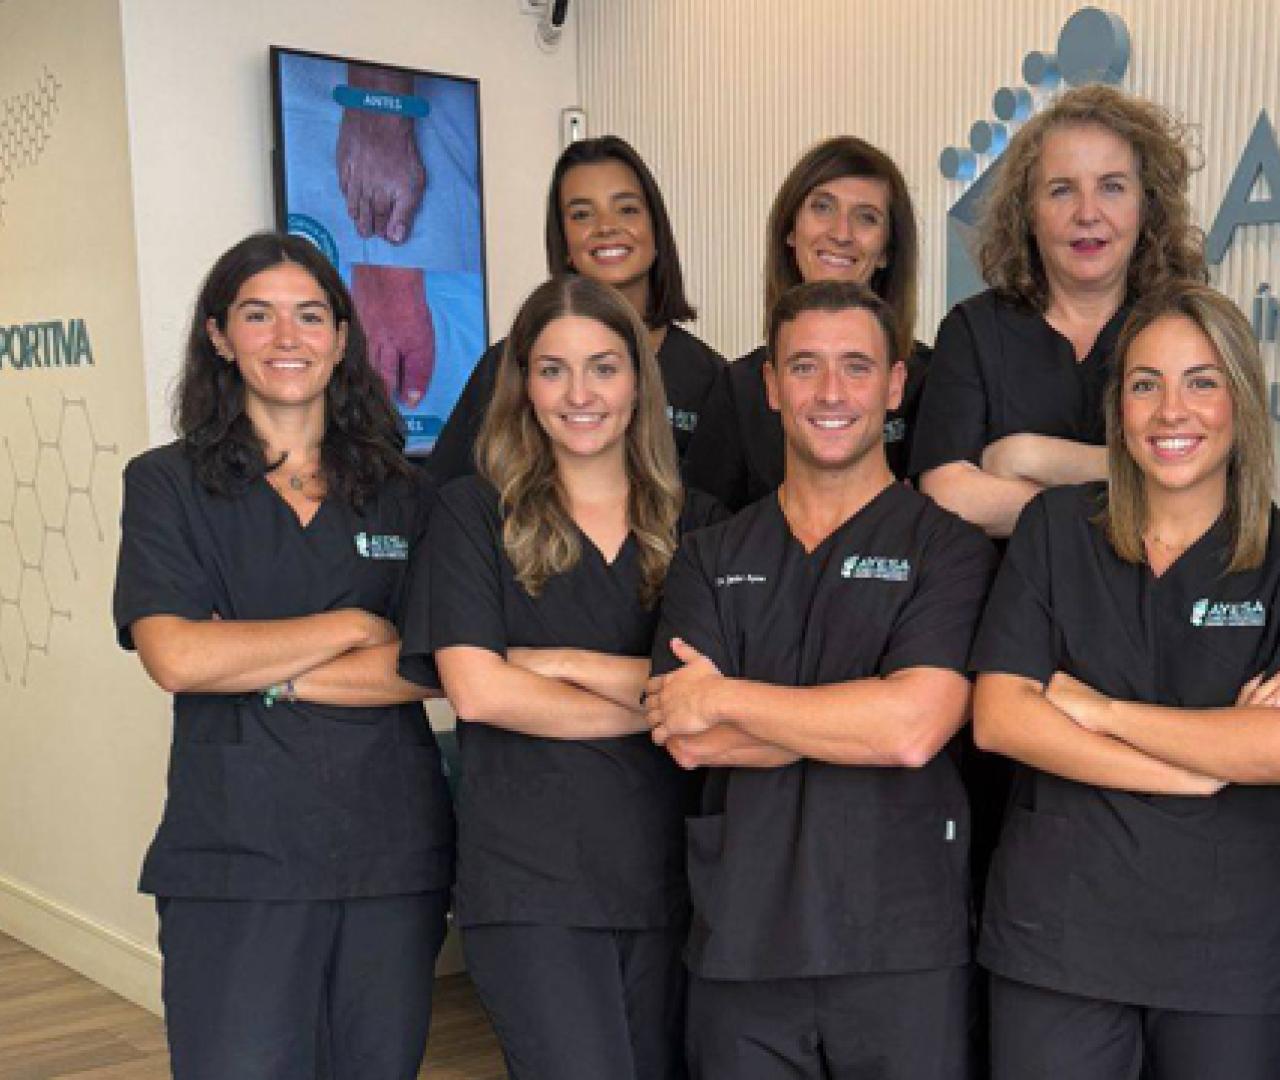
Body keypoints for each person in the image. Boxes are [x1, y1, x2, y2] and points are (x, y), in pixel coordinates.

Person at [969, 284, 1280, 1078]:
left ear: (1240, 402)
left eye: (1202, 381)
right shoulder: (1056, 529)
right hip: (1060, 941)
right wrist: (1203, 768)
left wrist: (1097, 710)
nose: (1172, 410)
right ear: (1120, 408)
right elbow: (1003, 717)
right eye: (1146, 384)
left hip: (1233, 950)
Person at [112, 232, 452, 1079]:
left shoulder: (407, 494)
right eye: (257, 316)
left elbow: (426, 665)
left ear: (342, 337)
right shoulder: (166, 484)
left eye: (309, 316)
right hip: (234, 855)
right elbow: (179, 657)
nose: (286, 338)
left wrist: (261, 664)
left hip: (388, 855)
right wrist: (349, 627)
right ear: (220, 336)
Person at [646, 281, 996, 1079]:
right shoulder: (711, 553)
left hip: (902, 950)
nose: (831, 393)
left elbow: (912, 729)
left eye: (856, 367)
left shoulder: (950, 550)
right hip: (743, 942)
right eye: (805, 367)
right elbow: (688, 737)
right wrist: (854, 713)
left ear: (896, 385)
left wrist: (729, 696)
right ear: (770, 385)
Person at [398, 275, 725, 1079]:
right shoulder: (475, 514)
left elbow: (718, 696)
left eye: (603, 367)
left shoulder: (702, 523)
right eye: (553, 369)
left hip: (670, 882)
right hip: (530, 886)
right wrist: (660, 705)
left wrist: (563, 665)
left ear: (637, 383)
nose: (580, 393)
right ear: (523, 385)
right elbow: (478, 690)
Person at [913, 83, 1208, 539]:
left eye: (1112, 187)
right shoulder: (974, 330)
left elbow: (1208, 483)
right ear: (1028, 212)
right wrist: (1127, 491)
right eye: (1061, 190)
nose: (1087, 212)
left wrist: (1029, 456)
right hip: (1004, 603)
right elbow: (950, 495)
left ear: (1146, 207)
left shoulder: (1187, 326)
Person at [426, 135, 722, 480]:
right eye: (582, 214)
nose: (606, 227)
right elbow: (443, 494)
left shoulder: (712, 379)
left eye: (627, 209)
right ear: (564, 242)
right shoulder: (508, 363)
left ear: (656, 231)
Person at [680, 135, 929, 510]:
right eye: (823, 207)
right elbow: (705, 532)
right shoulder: (739, 389)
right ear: (791, 232)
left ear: (887, 251)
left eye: (866, 217)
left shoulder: (933, 379)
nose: (841, 233)